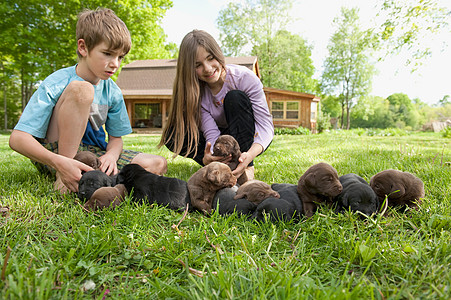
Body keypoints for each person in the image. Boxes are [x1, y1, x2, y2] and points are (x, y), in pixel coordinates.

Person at [9, 8, 167, 194]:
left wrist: (111, 155)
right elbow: (18, 139)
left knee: (158, 164)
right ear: (83, 48)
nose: (115, 63)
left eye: (120, 57)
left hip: (93, 154)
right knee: (83, 89)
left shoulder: (112, 91)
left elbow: (116, 139)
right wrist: (60, 163)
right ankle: (64, 176)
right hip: (56, 153)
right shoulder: (57, 81)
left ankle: (100, 181)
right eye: (108, 54)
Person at [158, 30, 274, 180]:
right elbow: (211, 134)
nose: (207, 68)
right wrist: (211, 155)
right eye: (198, 65)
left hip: (245, 132)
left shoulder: (244, 78)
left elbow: (265, 127)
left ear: (218, 54)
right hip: (222, 140)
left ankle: (245, 166)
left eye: (210, 58)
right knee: (172, 133)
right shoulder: (197, 92)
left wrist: (249, 155)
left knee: (235, 98)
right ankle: (217, 163)